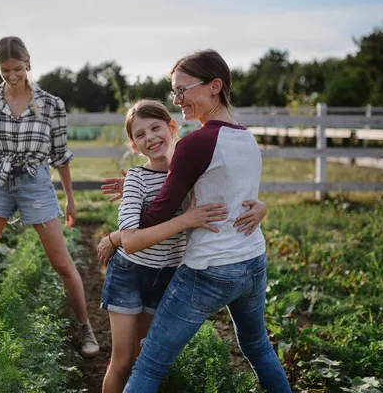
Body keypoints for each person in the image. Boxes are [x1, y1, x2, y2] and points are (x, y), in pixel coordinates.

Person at [122, 50, 292, 392]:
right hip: (252, 262)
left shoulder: (195, 142)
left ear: (215, 86)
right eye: (174, 91)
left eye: (183, 89)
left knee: (150, 364)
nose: (176, 99)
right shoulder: (246, 136)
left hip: (209, 270)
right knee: (257, 346)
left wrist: (132, 194)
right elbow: (239, 196)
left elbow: (159, 211)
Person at [0, 36, 99, 358]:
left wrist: (69, 198)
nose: (12, 76)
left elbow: (61, 157)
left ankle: (85, 328)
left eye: (18, 69)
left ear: (28, 63)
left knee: (62, 264)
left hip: (36, 182)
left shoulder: (52, 104)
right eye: (5, 69)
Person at [96, 99, 268, 392]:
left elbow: (230, 193)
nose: (150, 137)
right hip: (130, 273)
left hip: (167, 275)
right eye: (140, 135)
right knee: (122, 361)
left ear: (172, 127)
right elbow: (132, 240)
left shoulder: (193, 173)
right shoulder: (136, 179)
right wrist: (185, 220)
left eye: (155, 128)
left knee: (144, 358)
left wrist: (261, 206)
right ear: (133, 145)